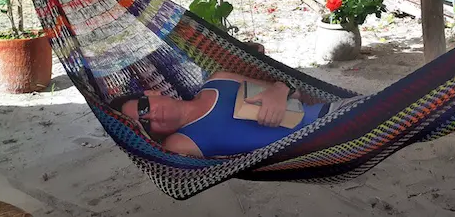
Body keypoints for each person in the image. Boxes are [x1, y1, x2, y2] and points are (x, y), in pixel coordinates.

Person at [111, 70, 331, 158]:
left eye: (143, 108)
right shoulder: (179, 144)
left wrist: (279, 90)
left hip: (326, 117)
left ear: (152, 92)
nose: (151, 117)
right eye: (144, 125)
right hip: (314, 151)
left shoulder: (220, 80)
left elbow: (296, 93)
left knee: (364, 111)